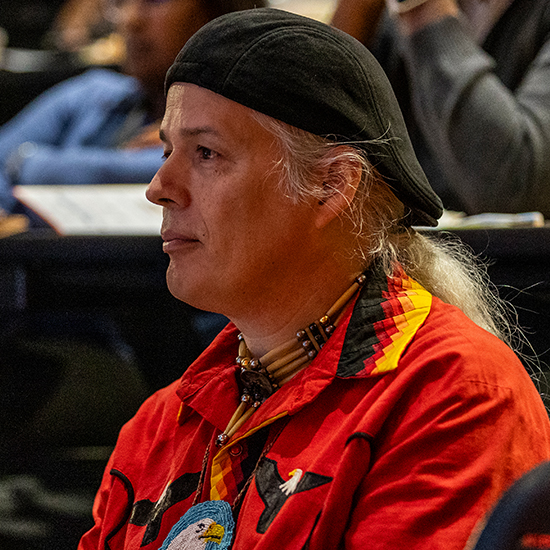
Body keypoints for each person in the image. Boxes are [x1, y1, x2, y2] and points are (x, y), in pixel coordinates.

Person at [78, 8, 550, 550]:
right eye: (166, 150)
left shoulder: (453, 396)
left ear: (331, 185)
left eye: (206, 154)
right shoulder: (161, 424)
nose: (159, 186)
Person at [0, 0, 266, 215]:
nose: (130, 19)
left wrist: (26, 164)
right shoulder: (90, 95)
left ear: (220, 16)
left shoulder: (248, 128)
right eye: (122, 2)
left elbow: (174, 170)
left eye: (154, 1)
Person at [331, 0, 550, 217]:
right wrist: (354, 19)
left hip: (507, 251)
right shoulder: (386, 21)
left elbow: (517, 192)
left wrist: (420, 9)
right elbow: (322, 178)